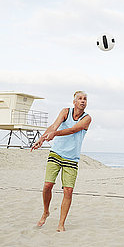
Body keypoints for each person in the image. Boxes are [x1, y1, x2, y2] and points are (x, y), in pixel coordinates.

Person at [31, 91, 92, 231]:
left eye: (85, 99)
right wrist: (41, 139)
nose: (83, 101)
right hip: (56, 153)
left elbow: (73, 130)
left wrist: (55, 134)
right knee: (47, 186)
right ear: (74, 102)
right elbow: (53, 126)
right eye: (80, 99)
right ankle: (46, 211)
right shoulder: (65, 112)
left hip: (72, 158)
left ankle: (61, 224)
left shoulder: (87, 119)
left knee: (68, 191)